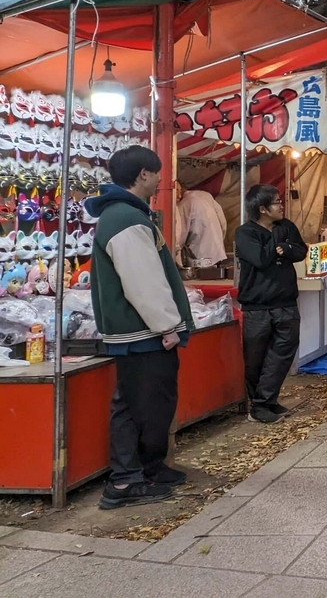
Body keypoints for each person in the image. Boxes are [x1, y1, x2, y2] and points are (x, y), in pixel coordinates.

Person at [87, 145, 193, 509]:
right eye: (157, 172)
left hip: (141, 333)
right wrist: (167, 325)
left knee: (146, 405)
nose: (162, 179)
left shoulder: (126, 215)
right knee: (139, 407)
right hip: (142, 334)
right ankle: (124, 482)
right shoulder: (125, 220)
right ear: (143, 175)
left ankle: (148, 467)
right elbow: (143, 282)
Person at [235, 184, 308, 424]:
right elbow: (260, 259)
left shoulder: (287, 226)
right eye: (277, 202)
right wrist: (278, 245)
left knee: (284, 351)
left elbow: (300, 250)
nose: (282, 205)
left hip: (286, 302)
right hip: (258, 306)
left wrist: (284, 248)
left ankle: (265, 401)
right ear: (263, 209)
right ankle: (260, 405)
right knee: (256, 357)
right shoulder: (245, 233)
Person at [174, 182, 228, 266]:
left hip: (201, 257)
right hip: (219, 253)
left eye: (178, 191)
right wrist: (220, 240)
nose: (178, 196)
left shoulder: (183, 204)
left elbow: (180, 237)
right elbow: (222, 221)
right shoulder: (206, 195)